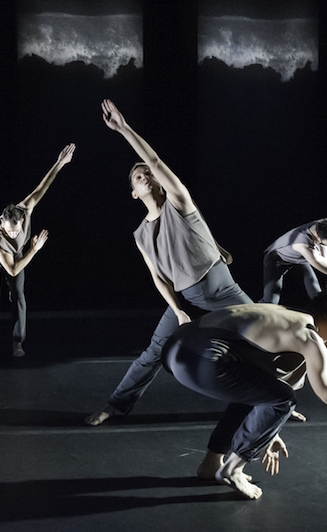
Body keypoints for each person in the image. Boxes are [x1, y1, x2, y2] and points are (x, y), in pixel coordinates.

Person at [85, 100, 252, 426]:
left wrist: (123, 128)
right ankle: (116, 404)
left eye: (147, 172)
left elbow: (155, 160)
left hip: (220, 287)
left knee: (261, 338)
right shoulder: (140, 234)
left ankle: (276, 403)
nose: (144, 174)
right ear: (133, 192)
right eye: (136, 176)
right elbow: (158, 279)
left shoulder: (180, 202)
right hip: (186, 298)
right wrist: (177, 311)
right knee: (154, 352)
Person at [162, 283, 327, 500]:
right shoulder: (309, 337)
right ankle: (233, 469)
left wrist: (269, 433)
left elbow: (263, 388)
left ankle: (212, 463)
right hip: (200, 358)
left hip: (176, 347)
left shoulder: (287, 316)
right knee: (285, 400)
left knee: (254, 392)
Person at [0, 143, 75, 358]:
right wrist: (34, 249)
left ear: (22, 219)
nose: (13, 234)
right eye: (10, 231)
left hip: (18, 254)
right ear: (3, 222)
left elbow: (42, 187)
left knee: (19, 296)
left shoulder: (25, 208)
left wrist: (59, 164)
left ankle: (17, 341)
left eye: (16, 230)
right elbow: (11, 270)